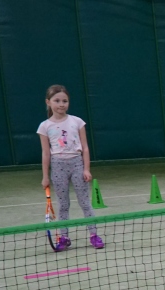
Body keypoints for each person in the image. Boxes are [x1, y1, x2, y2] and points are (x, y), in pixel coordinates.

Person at [38, 85, 103, 250]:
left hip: (77, 164)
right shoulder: (44, 126)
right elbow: (46, 153)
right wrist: (45, 176)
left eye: (65, 101)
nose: (61, 104)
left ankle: (94, 235)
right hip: (58, 166)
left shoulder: (77, 122)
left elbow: (85, 148)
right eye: (57, 101)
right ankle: (64, 237)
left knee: (85, 202)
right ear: (48, 102)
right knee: (63, 204)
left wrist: (86, 169)